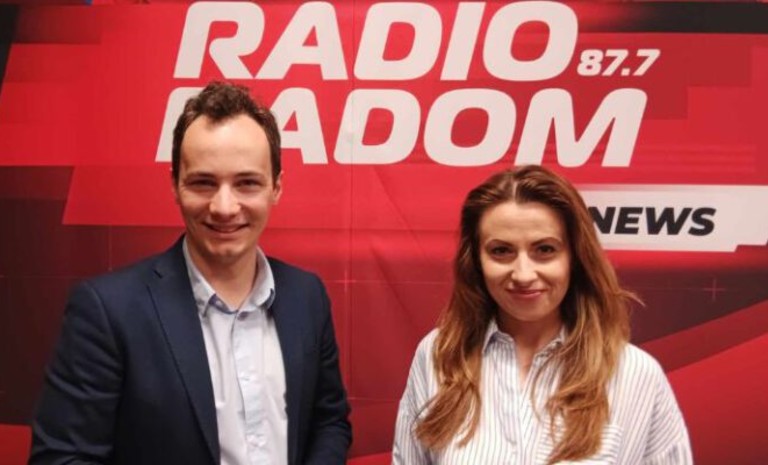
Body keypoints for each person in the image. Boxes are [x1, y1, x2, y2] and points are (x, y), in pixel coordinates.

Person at [30, 82, 351, 465]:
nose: (224, 207)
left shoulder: (307, 296)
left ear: (276, 187)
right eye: (203, 183)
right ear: (175, 185)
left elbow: (329, 422)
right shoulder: (108, 312)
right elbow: (63, 459)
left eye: (247, 183)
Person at [393, 165, 692, 464]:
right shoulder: (438, 356)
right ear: (476, 262)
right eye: (501, 251)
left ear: (575, 257)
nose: (523, 274)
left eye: (545, 249)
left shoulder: (635, 373)